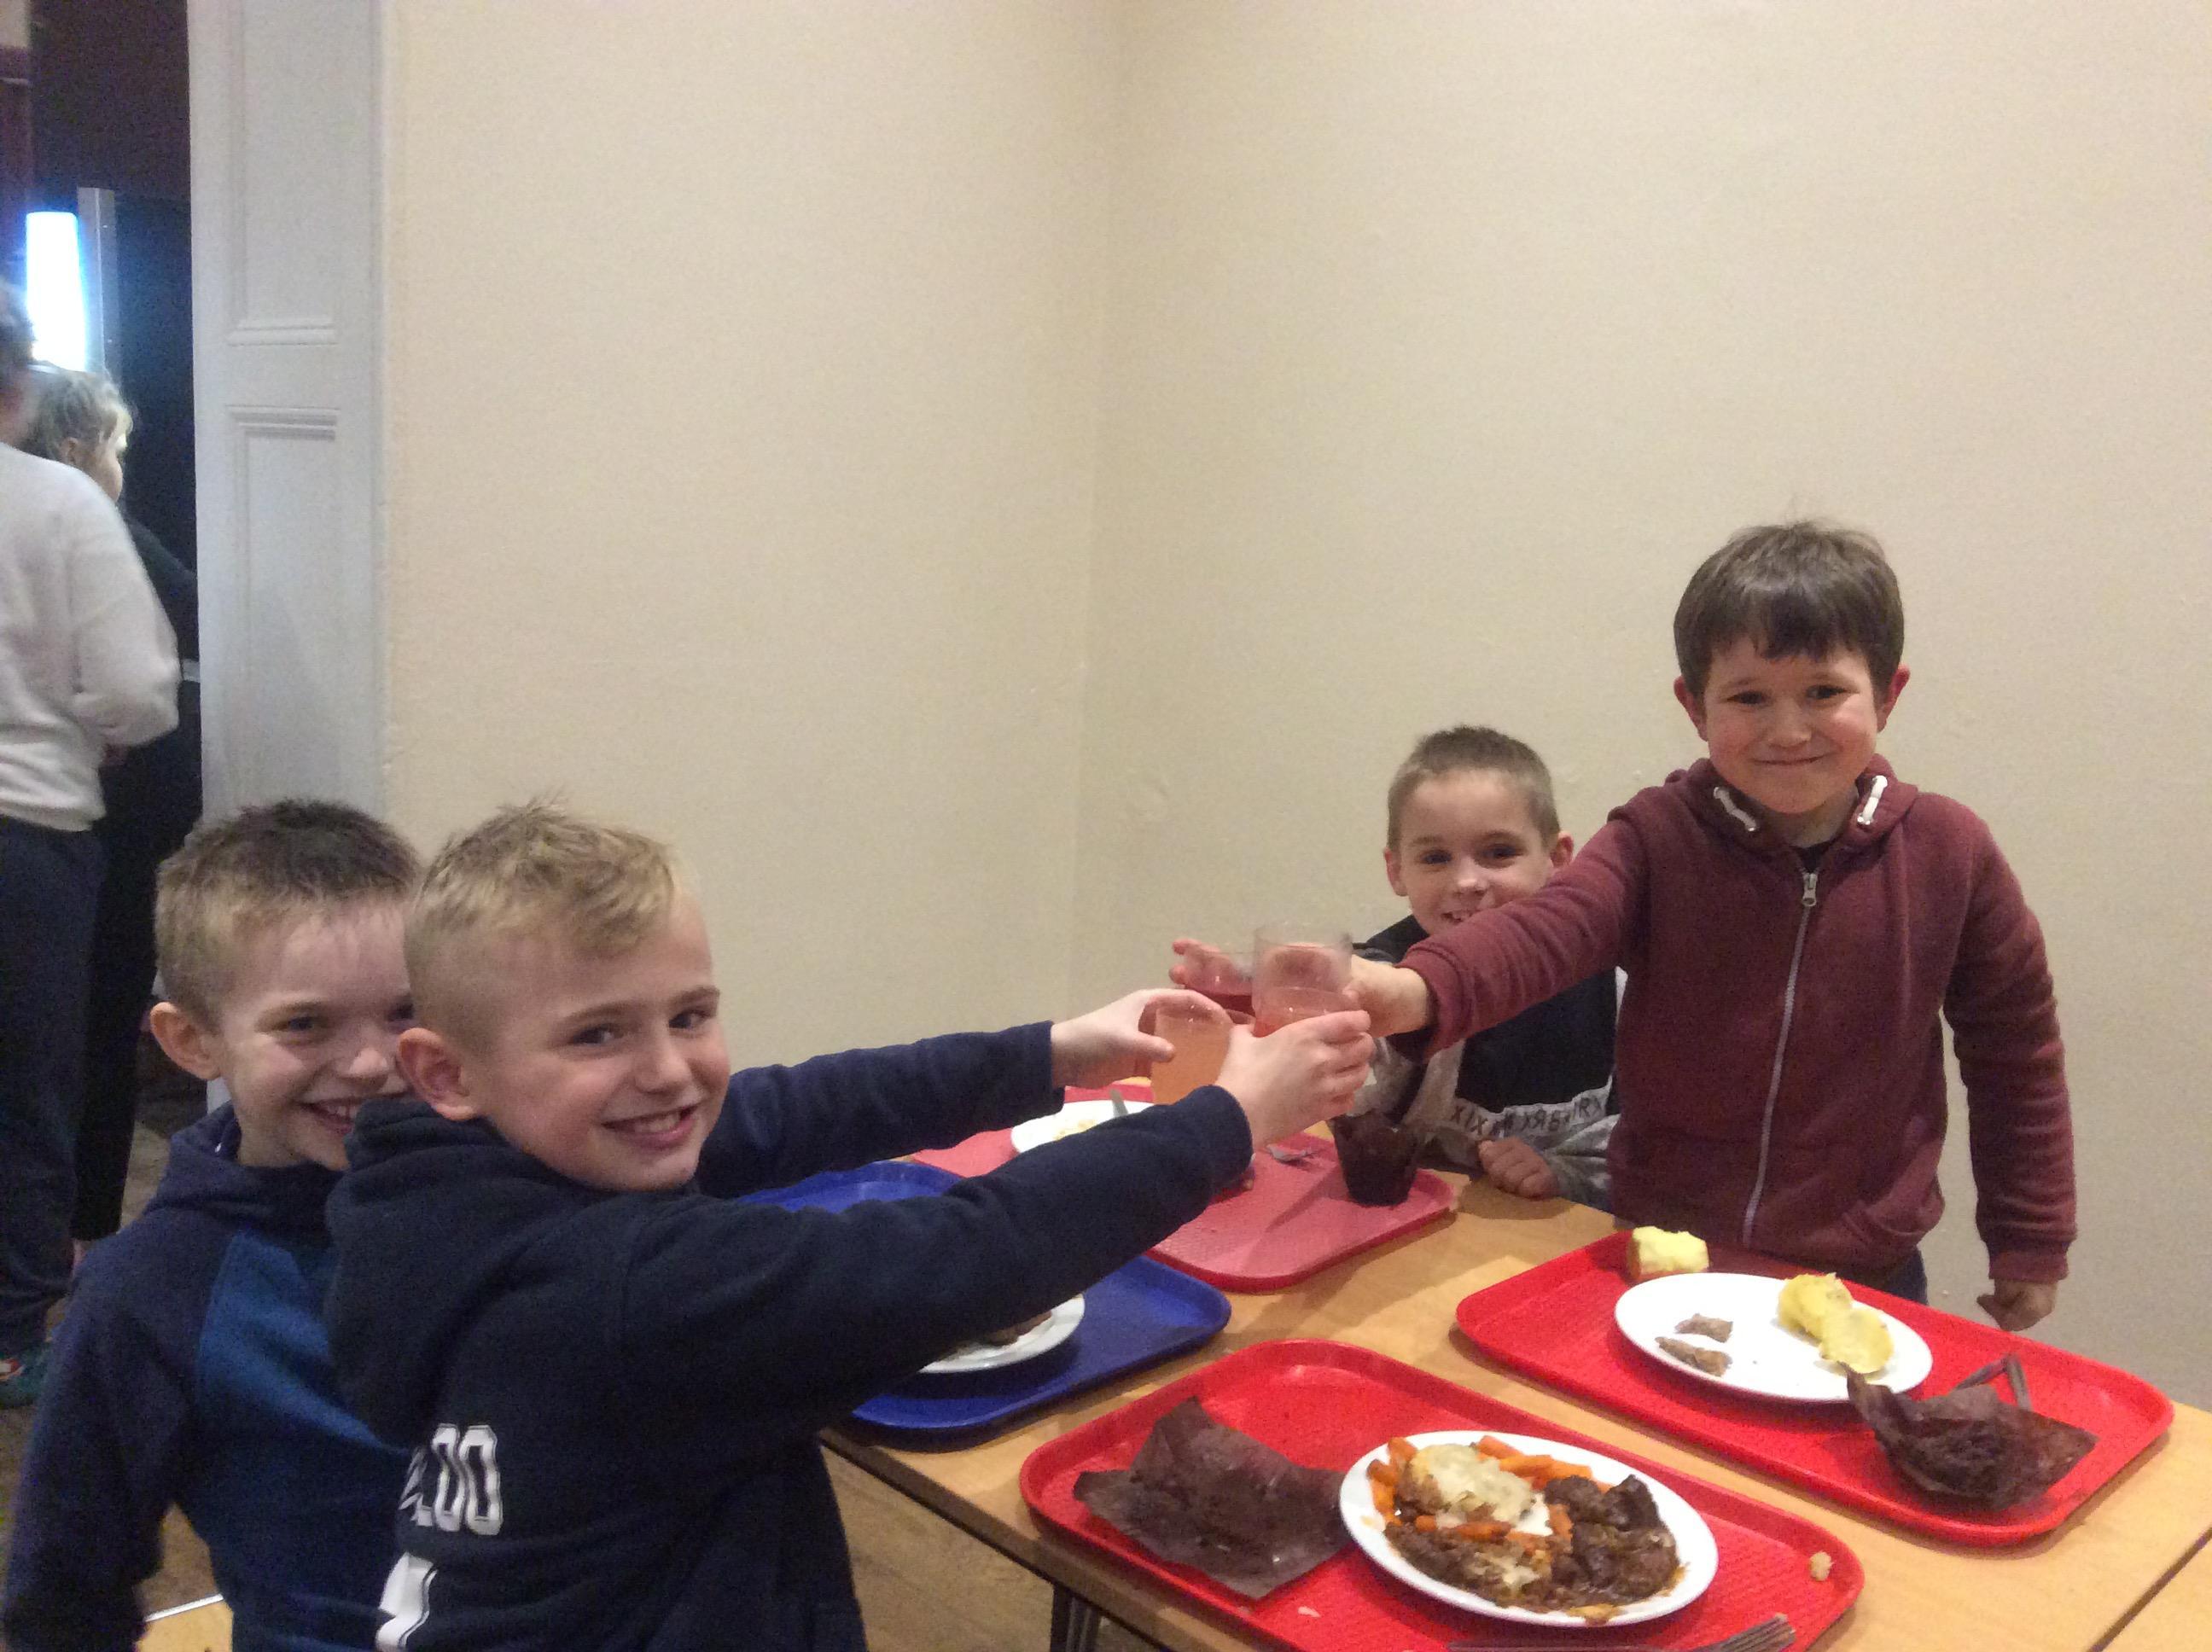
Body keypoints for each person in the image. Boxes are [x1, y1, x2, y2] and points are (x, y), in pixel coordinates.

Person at [324, 803, 1371, 1652]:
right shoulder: (628, 1293)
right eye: (598, 1033)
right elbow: (966, 1253)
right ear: (446, 1073)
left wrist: (1048, 1053)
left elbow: (795, 1107)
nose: (669, 1070)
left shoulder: (457, 1190)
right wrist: (1228, 1120)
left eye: (689, 1015)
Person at [1223, 522, 2071, 1329]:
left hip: (1866, 1269)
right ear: (1695, 708)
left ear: (1888, 692)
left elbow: (2017, 1052)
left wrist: (2029, 1238)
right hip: (1667, 1250)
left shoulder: (1951, 853)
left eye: (1823, 692)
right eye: (1748, 696)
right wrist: (1407, 988)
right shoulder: (1657, 838)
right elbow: (1544, 931)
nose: (1788, 730)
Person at [3, 800, 420, 1651]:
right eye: (305, 1024)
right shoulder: (149, 1292)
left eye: (405, 1011)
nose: (372, 1062)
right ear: (192, 1041)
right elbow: (64, 1585)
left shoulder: (509, 1190)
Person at [0, 287, 178, 1407]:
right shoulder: (58, 502)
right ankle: (13, 1333)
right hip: (26, 831)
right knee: (31, 1081)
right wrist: (97, 726)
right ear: (16, 386)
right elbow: (136, 692)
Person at [18, 364, 205, 1254]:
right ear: (75, 448)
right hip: (81, 819)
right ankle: (72, 1242)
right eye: (117, 448)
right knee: (81, 1036)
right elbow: (146, 681)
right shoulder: (91, 525)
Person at [1350, 724, 1617, 1206]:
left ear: (1558, 858)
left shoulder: (1615, 983)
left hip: (1554, 1228)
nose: (1467, 882)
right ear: (1397, 870)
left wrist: (1563, 1175)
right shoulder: (1385, 970)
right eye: (1436, 858)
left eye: (1498, 853)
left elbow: (1647, 1146)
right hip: (1406, 1216)